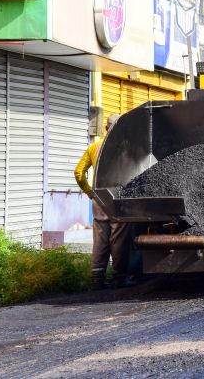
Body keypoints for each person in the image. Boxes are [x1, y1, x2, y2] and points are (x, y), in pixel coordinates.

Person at [74, 114, 132, 290]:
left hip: (99, 198)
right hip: (119, 197)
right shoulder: (126, 147)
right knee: (118, 238)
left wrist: (89, 192)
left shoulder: (94, 147)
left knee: (100, 238)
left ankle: (97, 278)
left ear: (106, 128)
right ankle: (119, 278)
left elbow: (78, 173)